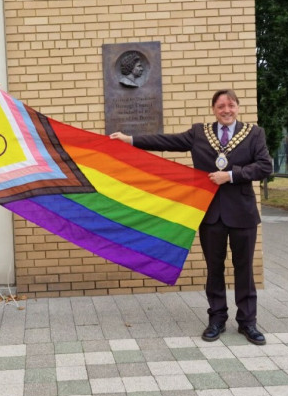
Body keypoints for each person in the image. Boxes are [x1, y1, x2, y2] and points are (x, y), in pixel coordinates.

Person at [111, 89, 273, 345]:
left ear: (238, 108)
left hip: (243, 214)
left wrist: (230, 175)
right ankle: (217, 318)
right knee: (214, 269)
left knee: (244, 270)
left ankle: (247, 322)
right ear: (213, 109)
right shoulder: (200, 133)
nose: (226, 110)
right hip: (210, 214)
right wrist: (130, 140)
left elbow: (265, 166)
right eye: (221, 106)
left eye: (231, 105)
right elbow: (167, 141)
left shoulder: (254, 134)